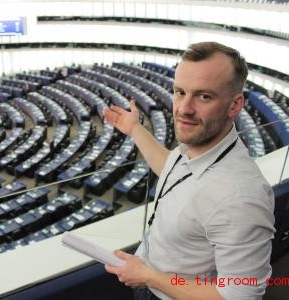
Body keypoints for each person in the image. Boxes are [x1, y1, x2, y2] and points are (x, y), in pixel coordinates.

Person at [103, 41, 275, 300]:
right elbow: (172, 169)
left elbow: (239, 295)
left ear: (235, 106)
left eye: (204, 96)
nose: (184, 109)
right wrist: (135, 129)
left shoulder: (241, 197)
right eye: (180, 92)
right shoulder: (196, 146)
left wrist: (148, 277)